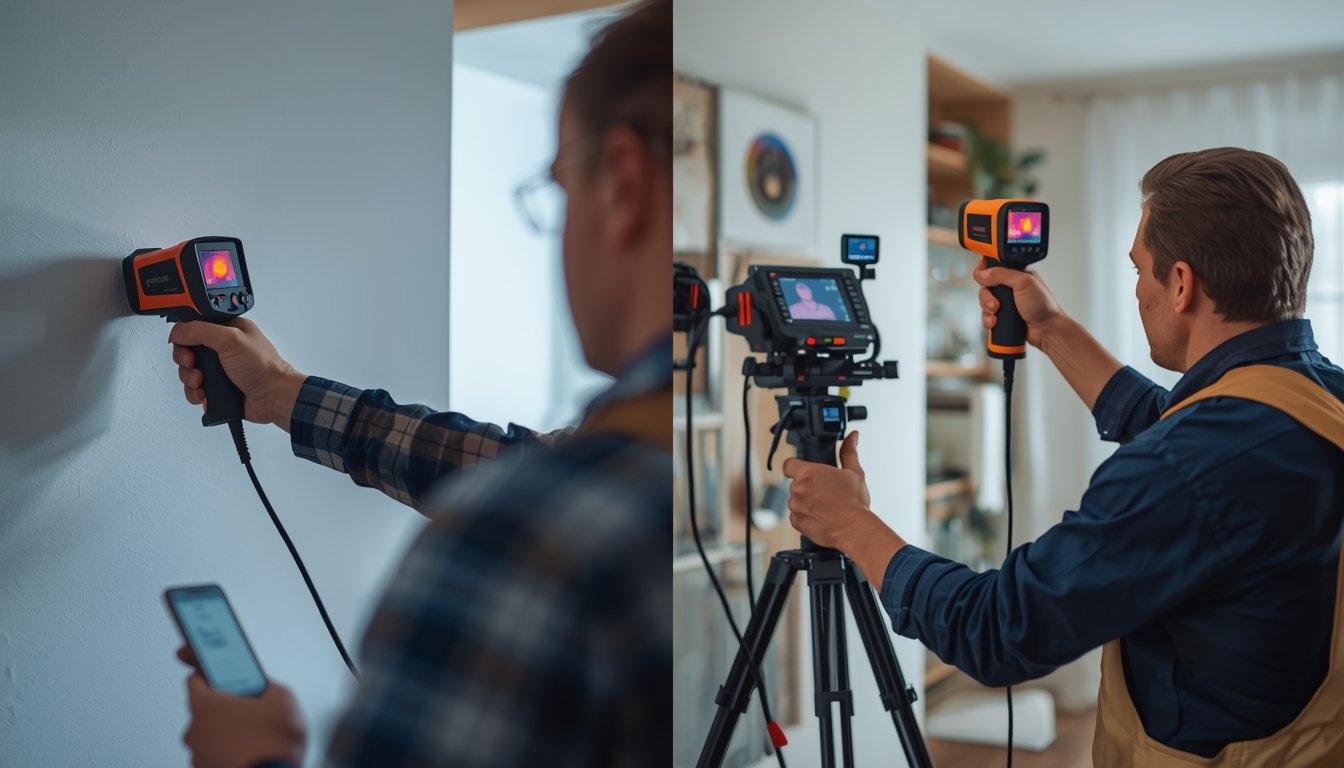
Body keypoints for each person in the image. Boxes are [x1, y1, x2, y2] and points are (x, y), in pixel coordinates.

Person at [167, 2, 671, 766]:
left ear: (623, 187)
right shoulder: (679, 474)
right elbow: (510, 464)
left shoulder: (522, 543)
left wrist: (249, 756)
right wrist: (283, 393)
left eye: (561, 187)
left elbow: (530, 491)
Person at [785, 147, 1344, 764]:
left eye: (1139, 270)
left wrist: (850, 524)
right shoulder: (1319, 399)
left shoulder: (1188, 465)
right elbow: (1183, 431)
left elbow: (998, 629)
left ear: (1182, 284)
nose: (1139, 290)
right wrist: (1049, 327)